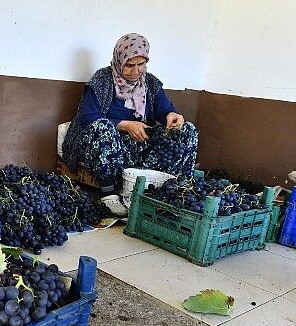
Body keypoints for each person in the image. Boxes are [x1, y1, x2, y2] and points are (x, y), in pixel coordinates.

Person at [62, 33, 198, 216]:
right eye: (129, 65)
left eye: (141, 65)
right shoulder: (102, 79)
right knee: (102, 127)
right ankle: (108, 193)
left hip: (138, 144)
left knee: (187, 130)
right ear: (119, 60)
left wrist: (173, 116)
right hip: (104, 145)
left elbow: (166, 111)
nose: (135, 71)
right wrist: (125, 125)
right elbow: (88, 117)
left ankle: (171, 190)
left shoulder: (150, 83)